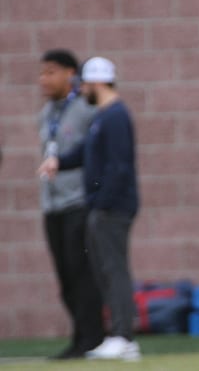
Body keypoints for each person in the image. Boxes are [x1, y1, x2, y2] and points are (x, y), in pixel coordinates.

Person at [38, 56, 141, 361]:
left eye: (82, 84)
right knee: (105, 271)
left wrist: (101, 204)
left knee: (114, 270)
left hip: (112, 208)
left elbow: (119, 167)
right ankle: (119, 335)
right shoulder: (103, 115)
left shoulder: (116, 116)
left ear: (95, 82)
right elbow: (86, 153)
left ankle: (124, 336)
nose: (80, 90)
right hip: (103, 207)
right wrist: (61, 161)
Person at [37, 49, 104, 359]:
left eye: (51, 72)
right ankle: (79, 339)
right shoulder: (46, 114)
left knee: (81, 274)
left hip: (78, 203)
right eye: (42, 72)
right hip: (52, 206)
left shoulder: (85, 109)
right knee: (65, 277)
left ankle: (91, 340)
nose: (43, 79)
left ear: (70, 74)